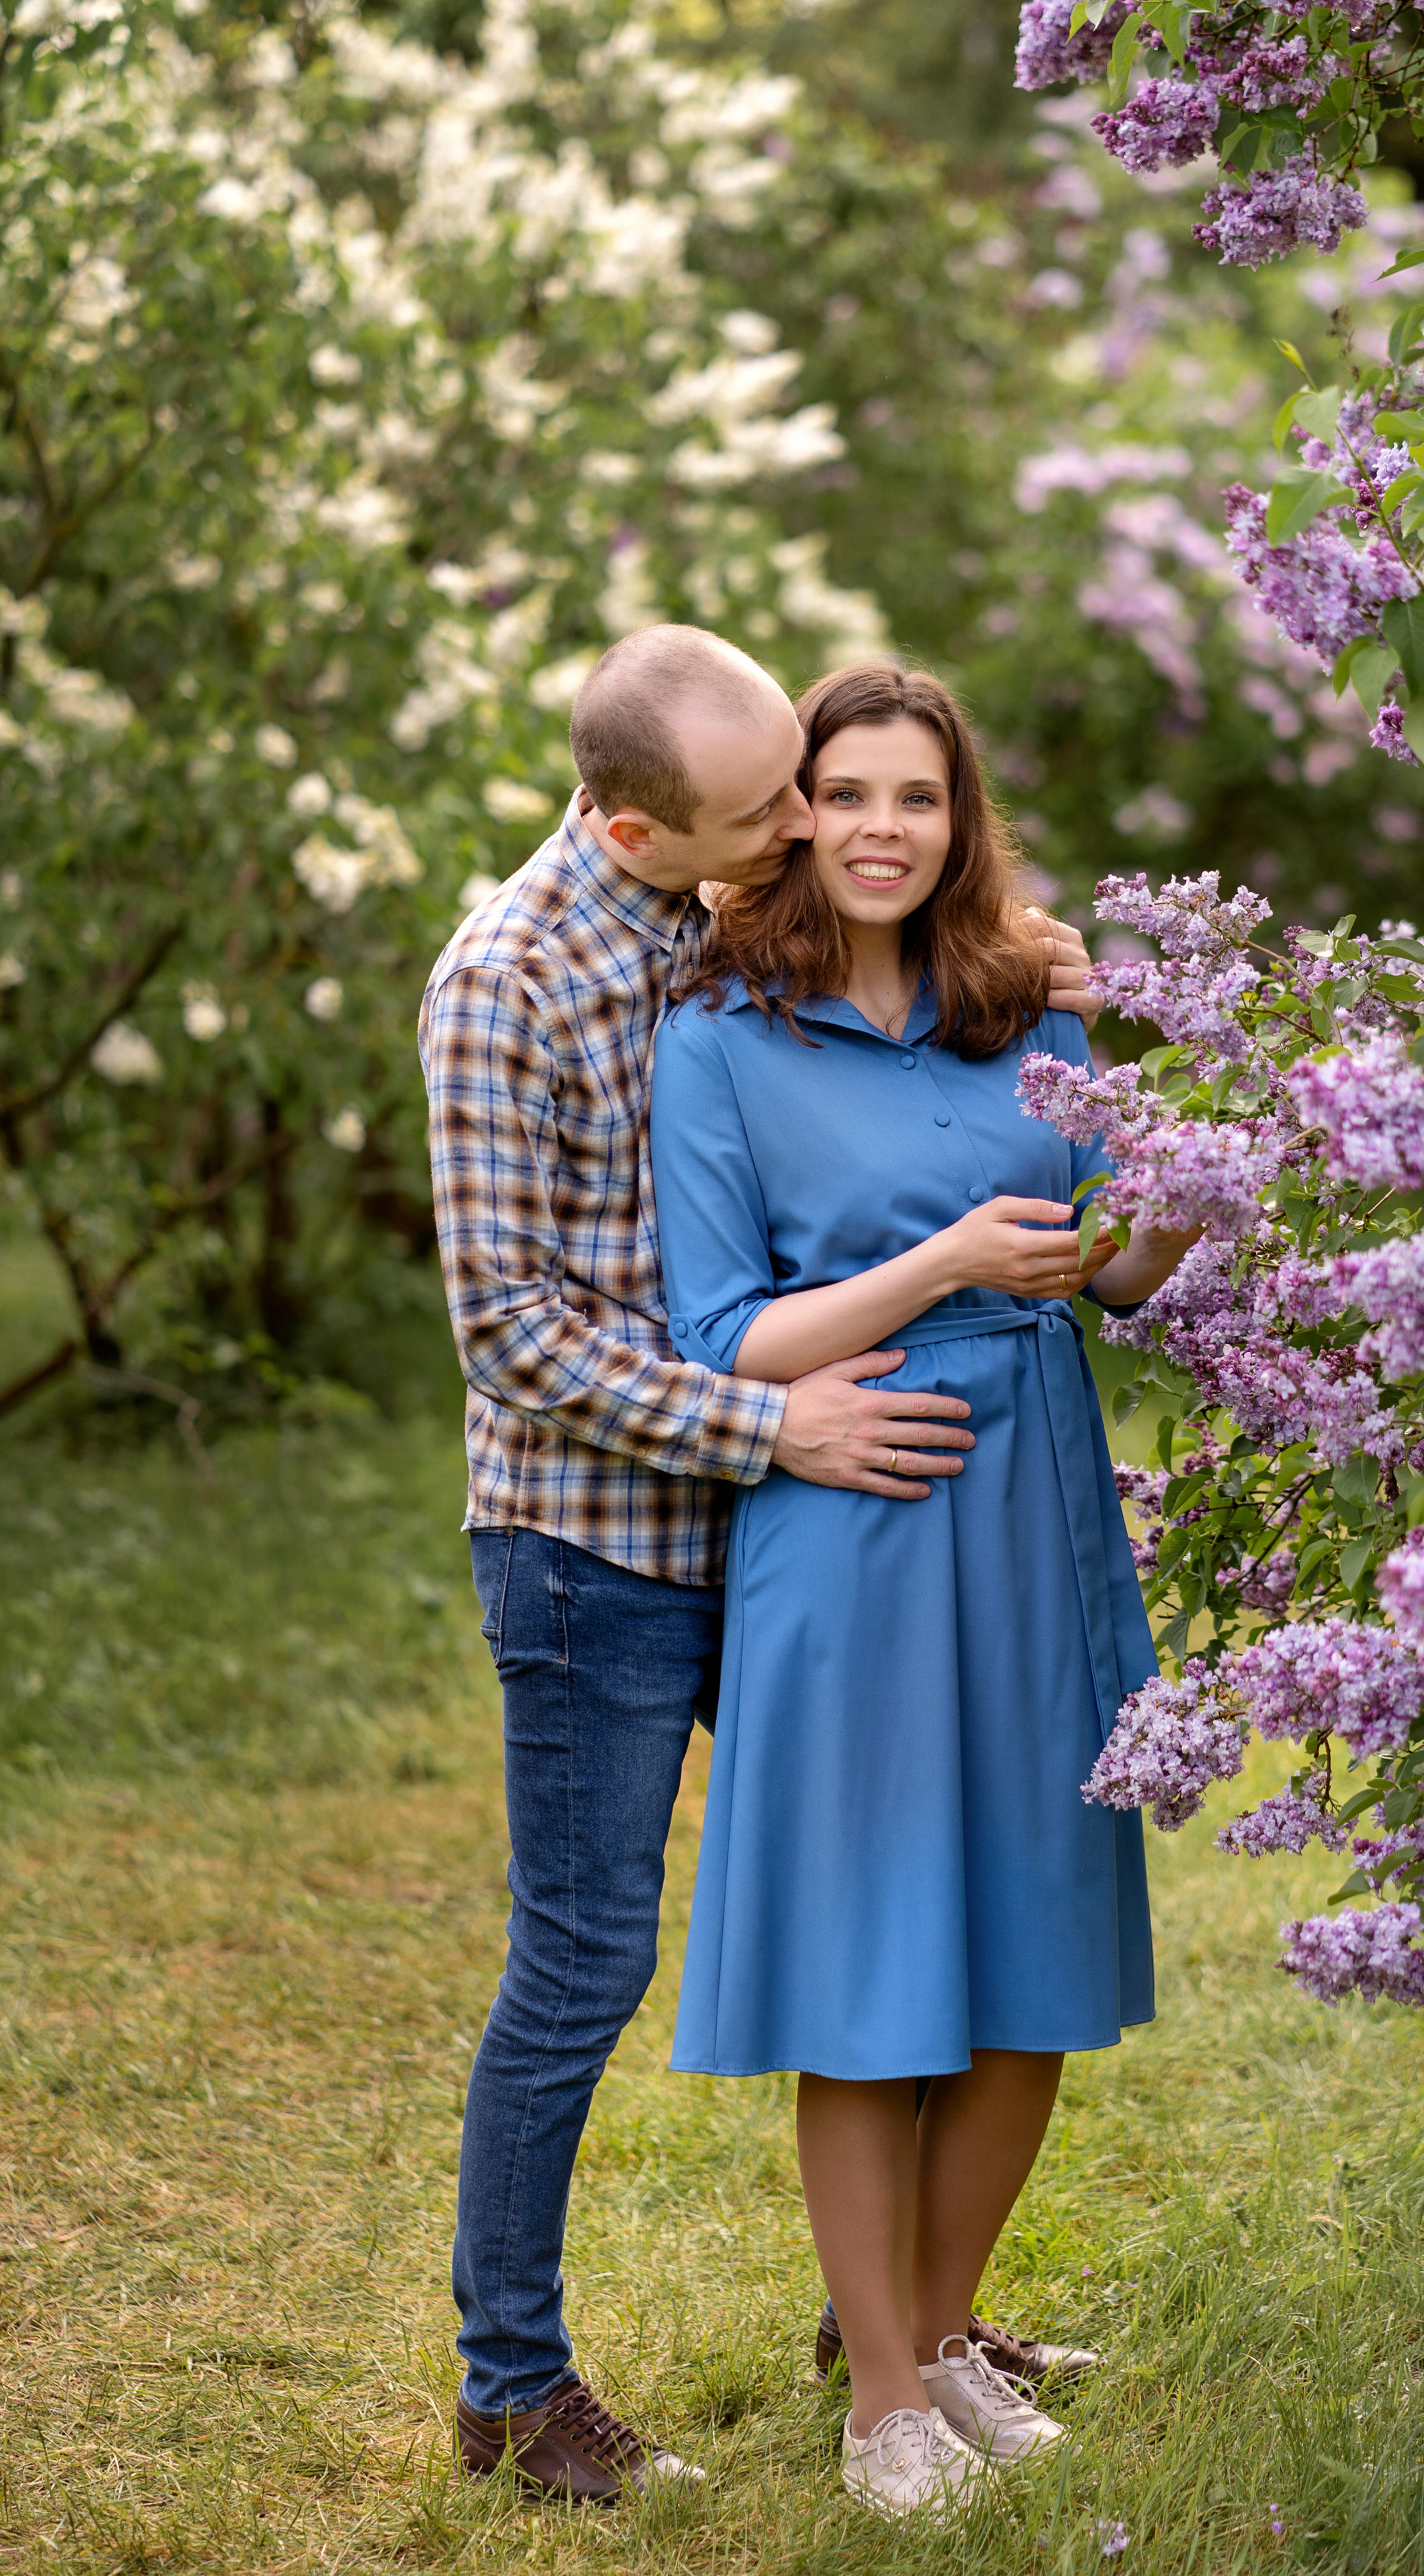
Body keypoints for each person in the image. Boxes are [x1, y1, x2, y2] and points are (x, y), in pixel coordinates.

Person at [418, 624, 1099, 2503]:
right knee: (583, 1960)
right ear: (639, 827)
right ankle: (513, 2380)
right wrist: (771, 1425)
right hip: (605, 1541)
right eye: (774, 806)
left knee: (901, 1891)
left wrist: (1030, 971)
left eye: (819, 787)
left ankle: (896, 2319)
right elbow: (519, 1338)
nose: (810, 824)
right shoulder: (508, 982)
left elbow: (883, 1023)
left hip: (799, 1520)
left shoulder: (710, 921)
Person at [648, 663, 1199, 2521]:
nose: (886, 826)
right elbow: (728, 1331)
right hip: (858, 1518)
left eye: (923, 796)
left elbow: (1121, 1279)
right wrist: (946, 1257)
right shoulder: (724, 1035)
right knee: (874, 1968)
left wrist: (1200, 1141)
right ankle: (881, 2396)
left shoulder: (1017, 1011)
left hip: (1034, 1520)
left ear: (964, 823)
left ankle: (947, 2334)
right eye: (849, 791)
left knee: (1030, 1961)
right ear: (795, 811)